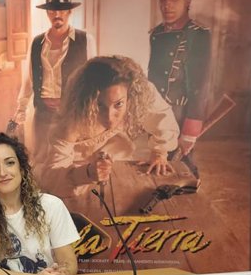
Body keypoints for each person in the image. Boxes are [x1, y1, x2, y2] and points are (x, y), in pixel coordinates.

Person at [43, 56, 180, 197]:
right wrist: (87, 173)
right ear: (87, 101)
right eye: (99, 105)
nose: (109, 117)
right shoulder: (71, 123)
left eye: (118, 104)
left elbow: (162, 117)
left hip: (120, 163)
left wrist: (159, 152)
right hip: (77, 173)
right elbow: (53, 181)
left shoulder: (137, 94)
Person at [0, 132, 79, 275]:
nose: (3, 173)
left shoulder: (51, 206)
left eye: (9, 163)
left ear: (22, 169)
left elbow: (68, 262)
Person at [13, 0, 96, 157]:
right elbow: (28, 81)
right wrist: (20, 111)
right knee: (41, 161)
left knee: (70, 161)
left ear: (70, 11)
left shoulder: (86, 40)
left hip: (72, 115)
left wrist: (92, 111)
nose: (57, 15)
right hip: (42, 115)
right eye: (52, 10)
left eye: (62, 10)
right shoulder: (36, 43)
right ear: (47, 12)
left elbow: (93, 80)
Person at [149, 0, 211, 178]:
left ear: (188, 1)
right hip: (158, 111)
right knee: (158, 165)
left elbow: (199, 85)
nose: (167, 5)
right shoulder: (156, 33)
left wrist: (190, 130)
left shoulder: (198, 35)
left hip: (181, 112)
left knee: (183, 168)